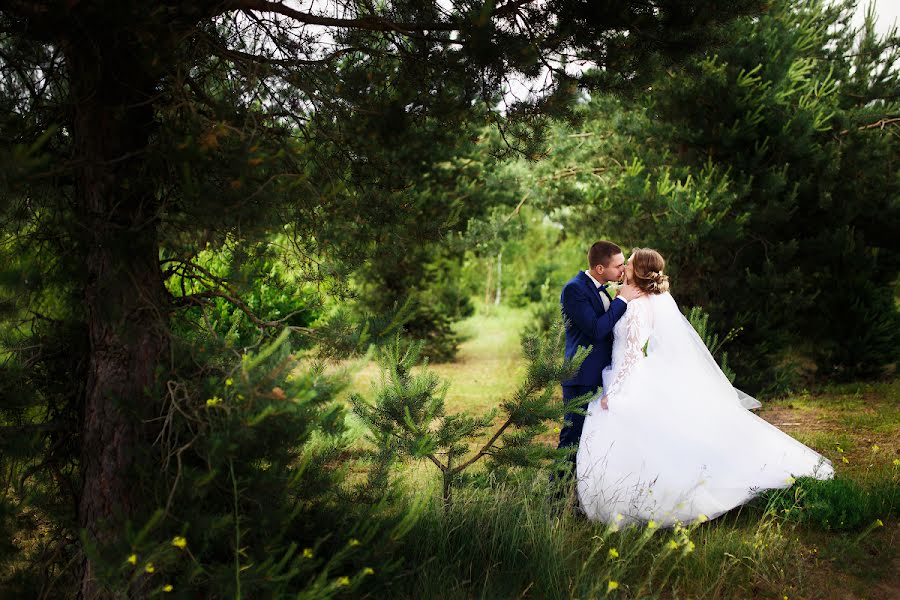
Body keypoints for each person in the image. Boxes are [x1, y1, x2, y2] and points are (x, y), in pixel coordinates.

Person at [576, 248, 834, 526]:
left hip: (627, 377)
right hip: (619, 373)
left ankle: (646, 499)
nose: (624, 266)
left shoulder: (638, 306)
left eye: (628, 263)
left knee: (631, 436)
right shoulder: (638, 299)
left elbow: (632, 354)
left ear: (637, 272)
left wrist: (613, 393)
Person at [555, 241, 642, 485]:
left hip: (602, 376)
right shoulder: (574, 290)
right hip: (581, 376)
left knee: (593, 441)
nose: (623, 269)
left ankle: (584, 498)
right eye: (618, 265)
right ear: (600, 268)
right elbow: (595, 329)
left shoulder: (601, 287)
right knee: (572, 440)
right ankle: (556, 500)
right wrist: (621, 301)